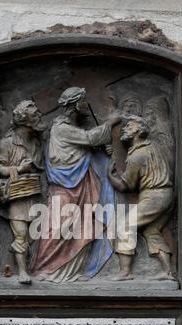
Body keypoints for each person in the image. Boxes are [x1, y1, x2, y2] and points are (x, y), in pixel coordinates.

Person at [30, 87, 120, 282]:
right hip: (65, 185)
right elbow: (88, 139)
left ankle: (73, 270)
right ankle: (45, 269)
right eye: (83, 101)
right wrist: (110, 123)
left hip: (81, 185)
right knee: (57, 227)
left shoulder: (69, 127)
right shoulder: (62, 127)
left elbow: (82, 146)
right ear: (75, 105)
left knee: (82, 225)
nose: (86, 105)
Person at [108, 115, 174, 280]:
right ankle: (167, 271)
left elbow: (125, 186)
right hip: (166, 194)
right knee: (151, 230)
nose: (124, 129)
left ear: (138, 130)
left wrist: (110, 175)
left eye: (129, 126)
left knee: (125, 226)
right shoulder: (154, 146)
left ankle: (125, 272)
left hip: (153, 196)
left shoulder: (137, 156)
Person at [0, 100, 45, 284]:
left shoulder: (35, 142)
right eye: (35, 113)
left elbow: (39, 166)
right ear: (25, 119)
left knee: (35, 233)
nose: (40, 115)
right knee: (21, 233)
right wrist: (20, 169)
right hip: (16, 195)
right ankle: (23, 272)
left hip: (33, 193)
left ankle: (15, 261)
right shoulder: (7, 142)